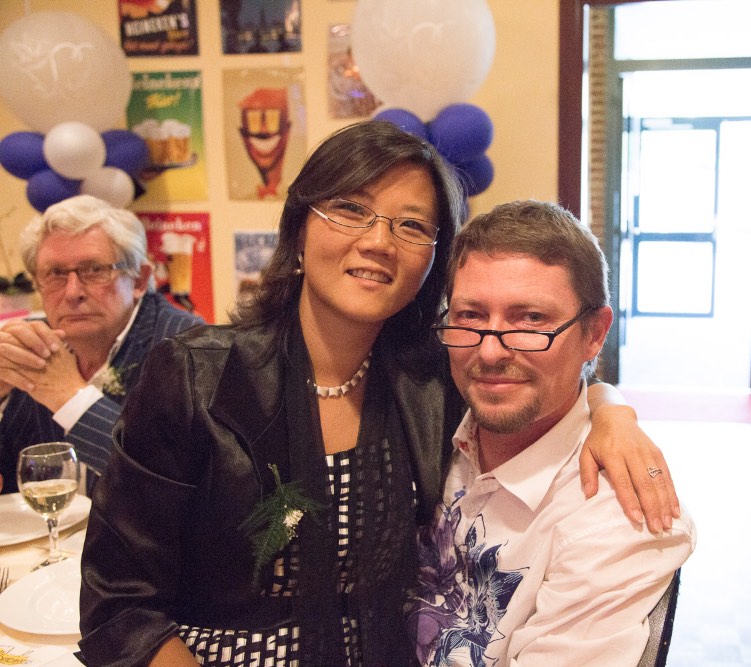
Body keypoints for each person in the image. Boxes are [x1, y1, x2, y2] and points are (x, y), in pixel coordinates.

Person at [79, 121, 676, 667]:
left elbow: (540, 366)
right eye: (350, 209)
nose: (378, 241)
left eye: (411, 225)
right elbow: (119, 605)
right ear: (299, 226)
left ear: (433, 261)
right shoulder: (196, 377)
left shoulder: (432, 381)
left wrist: (609, 411)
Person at [406, 200, 696, 665]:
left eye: (531, 319)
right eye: (470, 315)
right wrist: (610, 406)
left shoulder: (616, 519)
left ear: (594, 333)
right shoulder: (431, 420)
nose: (490, 352)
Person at [0, 194, 203, 493]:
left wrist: (70, 398)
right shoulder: (31, 343)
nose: (72, 293)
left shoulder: (189, 348)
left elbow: (172, 481)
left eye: (95, 270)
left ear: (139, 279)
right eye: (55, 274)